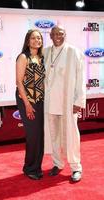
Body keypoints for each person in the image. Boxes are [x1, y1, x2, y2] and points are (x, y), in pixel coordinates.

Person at [44, 25, 86, 182]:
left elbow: (81, 78)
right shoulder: (46, 52)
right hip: (50, 103)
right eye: (54, 34)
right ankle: (57, 163)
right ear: (50, 35)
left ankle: (76, 167)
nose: (57, 36)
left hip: (68, 103)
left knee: (71, 136)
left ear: (65, 34)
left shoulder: (74, 52)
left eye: (60, 33)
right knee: (53, 134)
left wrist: (78, 101)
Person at [16, 29, 45, 180]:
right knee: (33, 135)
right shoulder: (23, 57)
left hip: (40, 100)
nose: (36, 41)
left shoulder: (42, 57)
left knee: (40, 135)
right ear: (28, 41)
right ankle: (29, 168)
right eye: (33, 38)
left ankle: (36, 166)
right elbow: (19, 83)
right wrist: (27, 105)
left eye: (39, 38)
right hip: (26, 100)